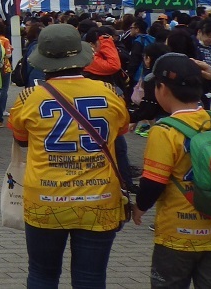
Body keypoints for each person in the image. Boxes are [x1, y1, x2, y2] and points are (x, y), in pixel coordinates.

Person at [8, 24, 130, 289]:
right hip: (99, 198)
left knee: (42, 273)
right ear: (82, 56)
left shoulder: (28, 98)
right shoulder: (111, 94)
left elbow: (21, 139)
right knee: (91, 277)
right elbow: (121, 130)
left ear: (43, 61)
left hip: (45, 198)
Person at [135, 53, 211, 288]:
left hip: (179, 233)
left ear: (162, 89)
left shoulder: (164, 131)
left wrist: (140, 208)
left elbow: (153, 181)